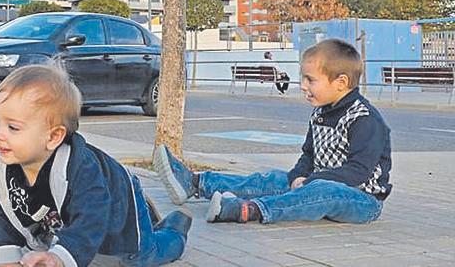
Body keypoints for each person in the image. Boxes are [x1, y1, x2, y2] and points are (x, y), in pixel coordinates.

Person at [155, 39, 391, 225]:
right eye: (303, 79)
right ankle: (196, 183)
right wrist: (296, 178)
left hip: (361, 200)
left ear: (340, 82)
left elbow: (358, 171)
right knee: (273, 179)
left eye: (311, 80)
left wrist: (311, 180)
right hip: (315, 184)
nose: (304, 86)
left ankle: (249, 210)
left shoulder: (364, 119)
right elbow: (309, 155)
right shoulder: (320, 113)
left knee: (324, 191)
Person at [0, 64, 191, 267]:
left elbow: (91, 216)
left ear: (54, 137)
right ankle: (148, 218)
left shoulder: (81, 168)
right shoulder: (0, 167)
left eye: (13, 127)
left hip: (118, 198)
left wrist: (60, 257)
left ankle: (174, 230)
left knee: (138, 257)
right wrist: (7, 255)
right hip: (78, 208)